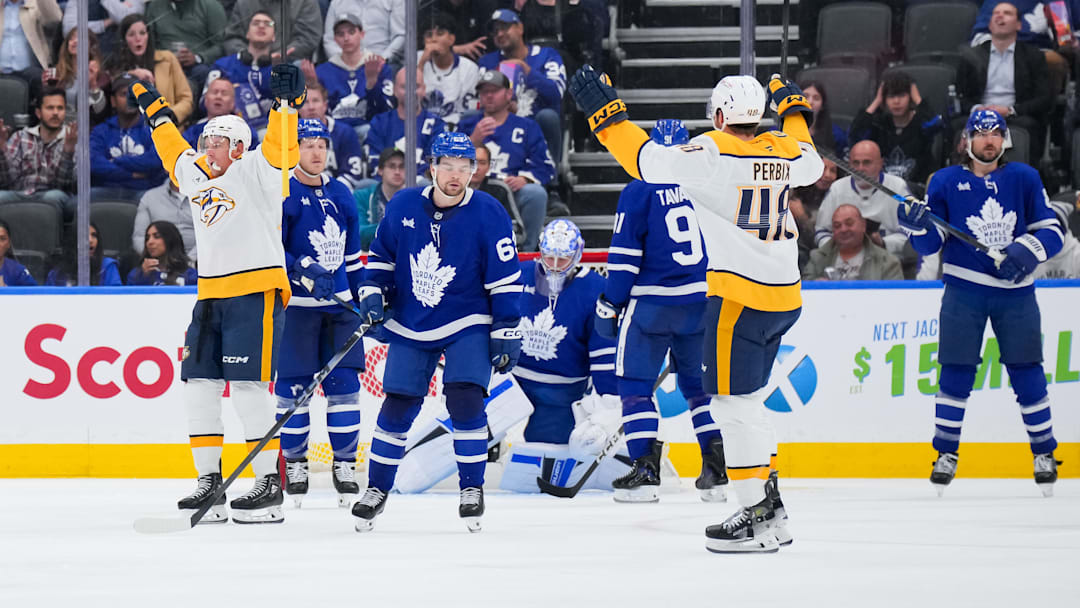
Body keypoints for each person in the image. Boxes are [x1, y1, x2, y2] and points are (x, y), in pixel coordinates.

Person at [568, 67, 824, 552]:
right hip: (785, 295)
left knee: (733, 405)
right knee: (747, 403)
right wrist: (794, 110)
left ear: (722, 115)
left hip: (740, 300)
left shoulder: (713, 150)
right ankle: (771, 508)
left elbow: (646, 162)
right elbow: (809, 157)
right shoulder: (786, 150)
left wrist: (606, 118)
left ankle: (755, 513)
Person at [127, 61, 306, 523]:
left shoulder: (259, 172)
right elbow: (171, 147)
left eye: (217, 141)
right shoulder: (196, 174)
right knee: (198, 386)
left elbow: (283, 149)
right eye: (205, 140)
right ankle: (210, 480)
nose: (207, 148)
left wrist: (287, 106)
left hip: (256, 289)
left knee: (248, 388)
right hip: (210, 295)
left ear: (239, 147)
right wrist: (154, 108)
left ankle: (267, 481)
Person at [351, 131, 522, 533]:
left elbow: (506, 279)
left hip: (468, 320)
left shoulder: (489, 211)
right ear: (432, 167)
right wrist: (373, 294)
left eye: (465, 168)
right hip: (413, 319)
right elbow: (381, 258)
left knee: (465, 400)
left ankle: (471, 488)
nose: (456, 175)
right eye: (448, 167)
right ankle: (376, 489)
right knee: (397, 405)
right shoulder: (405, 204)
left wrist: (507, 327)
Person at [897, 109, 1064, 497]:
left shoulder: (1024, 177)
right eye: (980, 133)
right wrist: (916, 224)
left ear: (1004, 140)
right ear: (966, 141)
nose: (988, 140)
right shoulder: (944, 181)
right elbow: (931, 246)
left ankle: (1043, 453)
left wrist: (1028, 249)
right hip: (964, 291)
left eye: (996, 134)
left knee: (1027, 372)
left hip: (1016, 292)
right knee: (955, 372)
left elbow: (1051, 229)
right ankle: (945, 453)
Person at [598, 119, 727, 504]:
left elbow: (623, 259)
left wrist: (610, 302)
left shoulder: (639, 189)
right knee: (699, 389)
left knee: (635, 387)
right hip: (702, 302)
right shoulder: (709, 185)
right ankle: (717, 471)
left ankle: (645, 471)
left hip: (652, 305)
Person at [497, 219, 627, 493]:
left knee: (542, 462)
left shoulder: (594, 290)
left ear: (577, 254)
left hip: (560, 394)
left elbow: (603, 357)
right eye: (549, 256)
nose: (555, 264)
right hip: (510, 383)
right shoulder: (517, 276)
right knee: (468, 428)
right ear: (539, 251)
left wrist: (608, 406)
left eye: (563, 258)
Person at [277, 119, 366, 508]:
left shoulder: (343, 193)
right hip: (297, 310)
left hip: (341, 309)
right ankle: (295, 462)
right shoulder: (283, 192)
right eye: (308, 144)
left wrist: (365, 300)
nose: (316, 152)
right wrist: (300, 268)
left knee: (345, 390)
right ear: (294, 148)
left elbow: (353, 257)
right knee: (294, 392)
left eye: (321, 145)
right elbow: (270, 249)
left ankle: (344, 464)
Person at [459, 70, 554, 251]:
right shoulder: (468, 125)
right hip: (472, 187)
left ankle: (526, 252)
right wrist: (473, 140)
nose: (488, 95)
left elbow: (546, 165)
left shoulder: (527, 127)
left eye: (494, 90)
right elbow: (448, 163)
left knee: (535, 193)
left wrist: (526, 178)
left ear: (508, 94)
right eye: (484, 91)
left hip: (510, 189)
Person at [957, 2, 1052, 164]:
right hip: (979, 113)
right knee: (955, 125)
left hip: (1015, 115)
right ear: (989, 24)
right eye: (996, 13)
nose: (1000, 16)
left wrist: (1009, 110)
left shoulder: (1033, 57)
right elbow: (959, 95)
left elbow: (1043, 99)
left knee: (1030, 125)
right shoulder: (971, 57)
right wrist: (977, 109)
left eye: (1007, 13)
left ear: (1019, 25)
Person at [477, 9, 566, 165]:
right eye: (495, 31)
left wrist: (527, 70)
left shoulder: (547, 55)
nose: (499, 34)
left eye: (505, 28)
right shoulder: (487, 62)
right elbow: (479, 102)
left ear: (520, 28)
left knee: (548, 116)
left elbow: (556, 93)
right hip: (500, 127)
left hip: (536, 124)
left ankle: (551, 179)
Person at [815, 140, 911, 257]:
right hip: (842, 259)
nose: (860, 168)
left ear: (880, 164)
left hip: (888, 258)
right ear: (849, 164)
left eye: (866, 163)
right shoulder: (837, 188)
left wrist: (883, 243)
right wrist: (838, 248)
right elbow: (821, 231)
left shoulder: (898, 187)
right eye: (856, 163)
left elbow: (911, 234)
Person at [312, 12, 394, 140]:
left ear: (362, 34)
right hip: (334, 132)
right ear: (335, 39)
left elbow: (386, 111)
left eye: (351, 32)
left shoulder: (380, 67)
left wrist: (372, 85)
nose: (346, 38)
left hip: (370, 130)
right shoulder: (323, 71)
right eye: (340, 34)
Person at [849, 71, 941, 184]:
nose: (896, 101)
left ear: (910, 97)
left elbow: (936, 125)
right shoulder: (879, 124)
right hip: (883, 188)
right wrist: (877, 101)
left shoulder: (921, 122)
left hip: (916, 188)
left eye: (902, 95)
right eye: (891, 96)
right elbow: (855, 136)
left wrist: (917, 98)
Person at [0, 87, 77, 217]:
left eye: (60, 108)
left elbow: (63, 185)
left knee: (53, 197)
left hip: (53, 194)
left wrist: (67, 153)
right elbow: (8, 180)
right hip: (20, 193)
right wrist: (2, 148)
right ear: (38, 113)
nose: (55, 113)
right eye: (50, 108)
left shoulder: (73, 139)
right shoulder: (20, 137)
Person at [104, 14, 194, 124]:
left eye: (142, 33)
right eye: (131, 34)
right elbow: (113, 97)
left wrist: (169, 115)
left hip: (167, 129)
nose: (138, 39)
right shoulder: (115, 66)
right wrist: (132, 75)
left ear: (149, 36)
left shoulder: (167, 59)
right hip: (133, 132)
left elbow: (186, 99)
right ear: (124, 40)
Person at [90, 74, 168, 200]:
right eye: (123, 94)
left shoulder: (153, 128)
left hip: (144, 190)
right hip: (107, 190)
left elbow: (155, 161)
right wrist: (131, 174)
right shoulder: (101, 131)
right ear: (113, 101)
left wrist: (115, 161)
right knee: (78, 204)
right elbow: (93, 164)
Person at [364, 67, 446, 180]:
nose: (410, 92)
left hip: (419, 186)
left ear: (424, 90)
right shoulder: (379, 123)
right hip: (386, 184)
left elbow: (434, 164)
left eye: (416, 86)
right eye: (404, 87)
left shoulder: (436, 125)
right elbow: (374, 161)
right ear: (394, 90)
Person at [209, 11, 277, 137]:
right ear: (247, 33)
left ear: (274, 36)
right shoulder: (223, 66)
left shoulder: (279, 70)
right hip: (226, 128)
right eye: (256, 23)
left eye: (268, 24)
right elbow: (205, 102)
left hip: (268, 131)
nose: (261, 26)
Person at [143, 0, 228, 96]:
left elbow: (222, 45)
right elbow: (148, 43)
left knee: (202, 73)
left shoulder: (210, 6)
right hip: (163, 64)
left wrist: (197, 57)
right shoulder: (155, 6)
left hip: (198, 66)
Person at [802, 204, 904, 281]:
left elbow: (895, 298)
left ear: (863, 225)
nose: (843, 229)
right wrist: (816, 285)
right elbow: (803, 292)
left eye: (849, 223)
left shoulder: (888, 262)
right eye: (837, 226)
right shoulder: (817, 258)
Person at [297, 82, 366, 189]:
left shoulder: (345, 133)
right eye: (305, 102)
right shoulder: (289, 135)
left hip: (336, 193)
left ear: (325, 105)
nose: (311, 107)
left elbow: (352, 173)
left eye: (315, 101)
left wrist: (331, 192)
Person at [417, 13, 480, 127]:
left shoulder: (469, 68)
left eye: (440, 34)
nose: (434, 39)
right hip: (419, 127)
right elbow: (405, 100)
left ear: (452, 39)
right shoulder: (416, 60)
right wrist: (421, 65)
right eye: (429, 35)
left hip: (454, 129)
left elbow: (468, 112)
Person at [225, 0, 323, 61]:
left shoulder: (305, 2)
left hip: (289, 60)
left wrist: (280, 56)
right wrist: (247, 55)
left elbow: (307, 38)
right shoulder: (244, 2)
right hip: (247, 60)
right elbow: (233, 37)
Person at [0, 0, 60, 98]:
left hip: (31, 73)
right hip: (1, 72)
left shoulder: (35, 3)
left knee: (39, 79)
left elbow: (55, 19)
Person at [183, 75, 260, 149]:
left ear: (233, 103)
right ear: (205, 100)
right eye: (214, 92)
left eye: (224, 93)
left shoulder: (246, 133)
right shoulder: (192, 133)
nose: (218, 97)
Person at [52, 28, 110, 126]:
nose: (74, 41)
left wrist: (93, 84)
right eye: (71, 38)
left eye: (80, 38)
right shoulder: (56, 76)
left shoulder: (102, 78)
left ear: (91, 46)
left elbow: (101, 114)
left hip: (89, 133)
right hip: (60, 131)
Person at [132, 179, 197, 261]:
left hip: (201, 262)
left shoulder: (208, 195)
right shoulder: (150, 197)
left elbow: (210, 236)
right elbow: (139, 236)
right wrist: (150, 259)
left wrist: (189, 260)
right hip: (158, 261)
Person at [354, 146, 406, 250]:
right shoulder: (362, 196)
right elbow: (357, 233)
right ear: (380, 170)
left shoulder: (415, 198)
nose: (397, 171)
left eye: (402, 166)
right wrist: (392, 227)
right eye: (392, 166)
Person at [46, 222, 123, 286]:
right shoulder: (56, 274)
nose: (90, 240)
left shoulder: (108, 267)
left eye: (94, 235)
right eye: (84, 235)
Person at [126, 220, 198, 285]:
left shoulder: (191, 275)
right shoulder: (135, 275)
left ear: (171, 240)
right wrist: (143, 276)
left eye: (157, 236)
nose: (150, 242)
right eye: (147, 238)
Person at [798, 80, 847, 158]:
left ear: (822, 106)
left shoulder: (835, 134)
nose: (810, 102)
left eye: (816, 98)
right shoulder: (780, 131)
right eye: (805, 96)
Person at [0, 219, 36, 286]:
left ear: (9, 243)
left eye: (2, 239)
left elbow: (35, 294)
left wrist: (6, 291)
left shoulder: (18, 271)